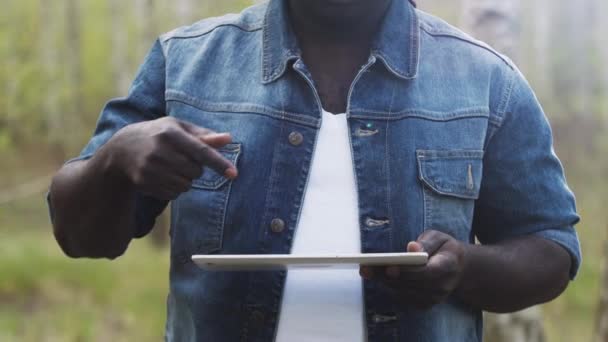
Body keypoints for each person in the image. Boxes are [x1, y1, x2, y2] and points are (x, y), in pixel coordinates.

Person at [47, 0, 582, 341]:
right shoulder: (186, 63)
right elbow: (81, 237)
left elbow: (551, 248)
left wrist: (464, 268)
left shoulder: (487, 81)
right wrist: (116, 160)